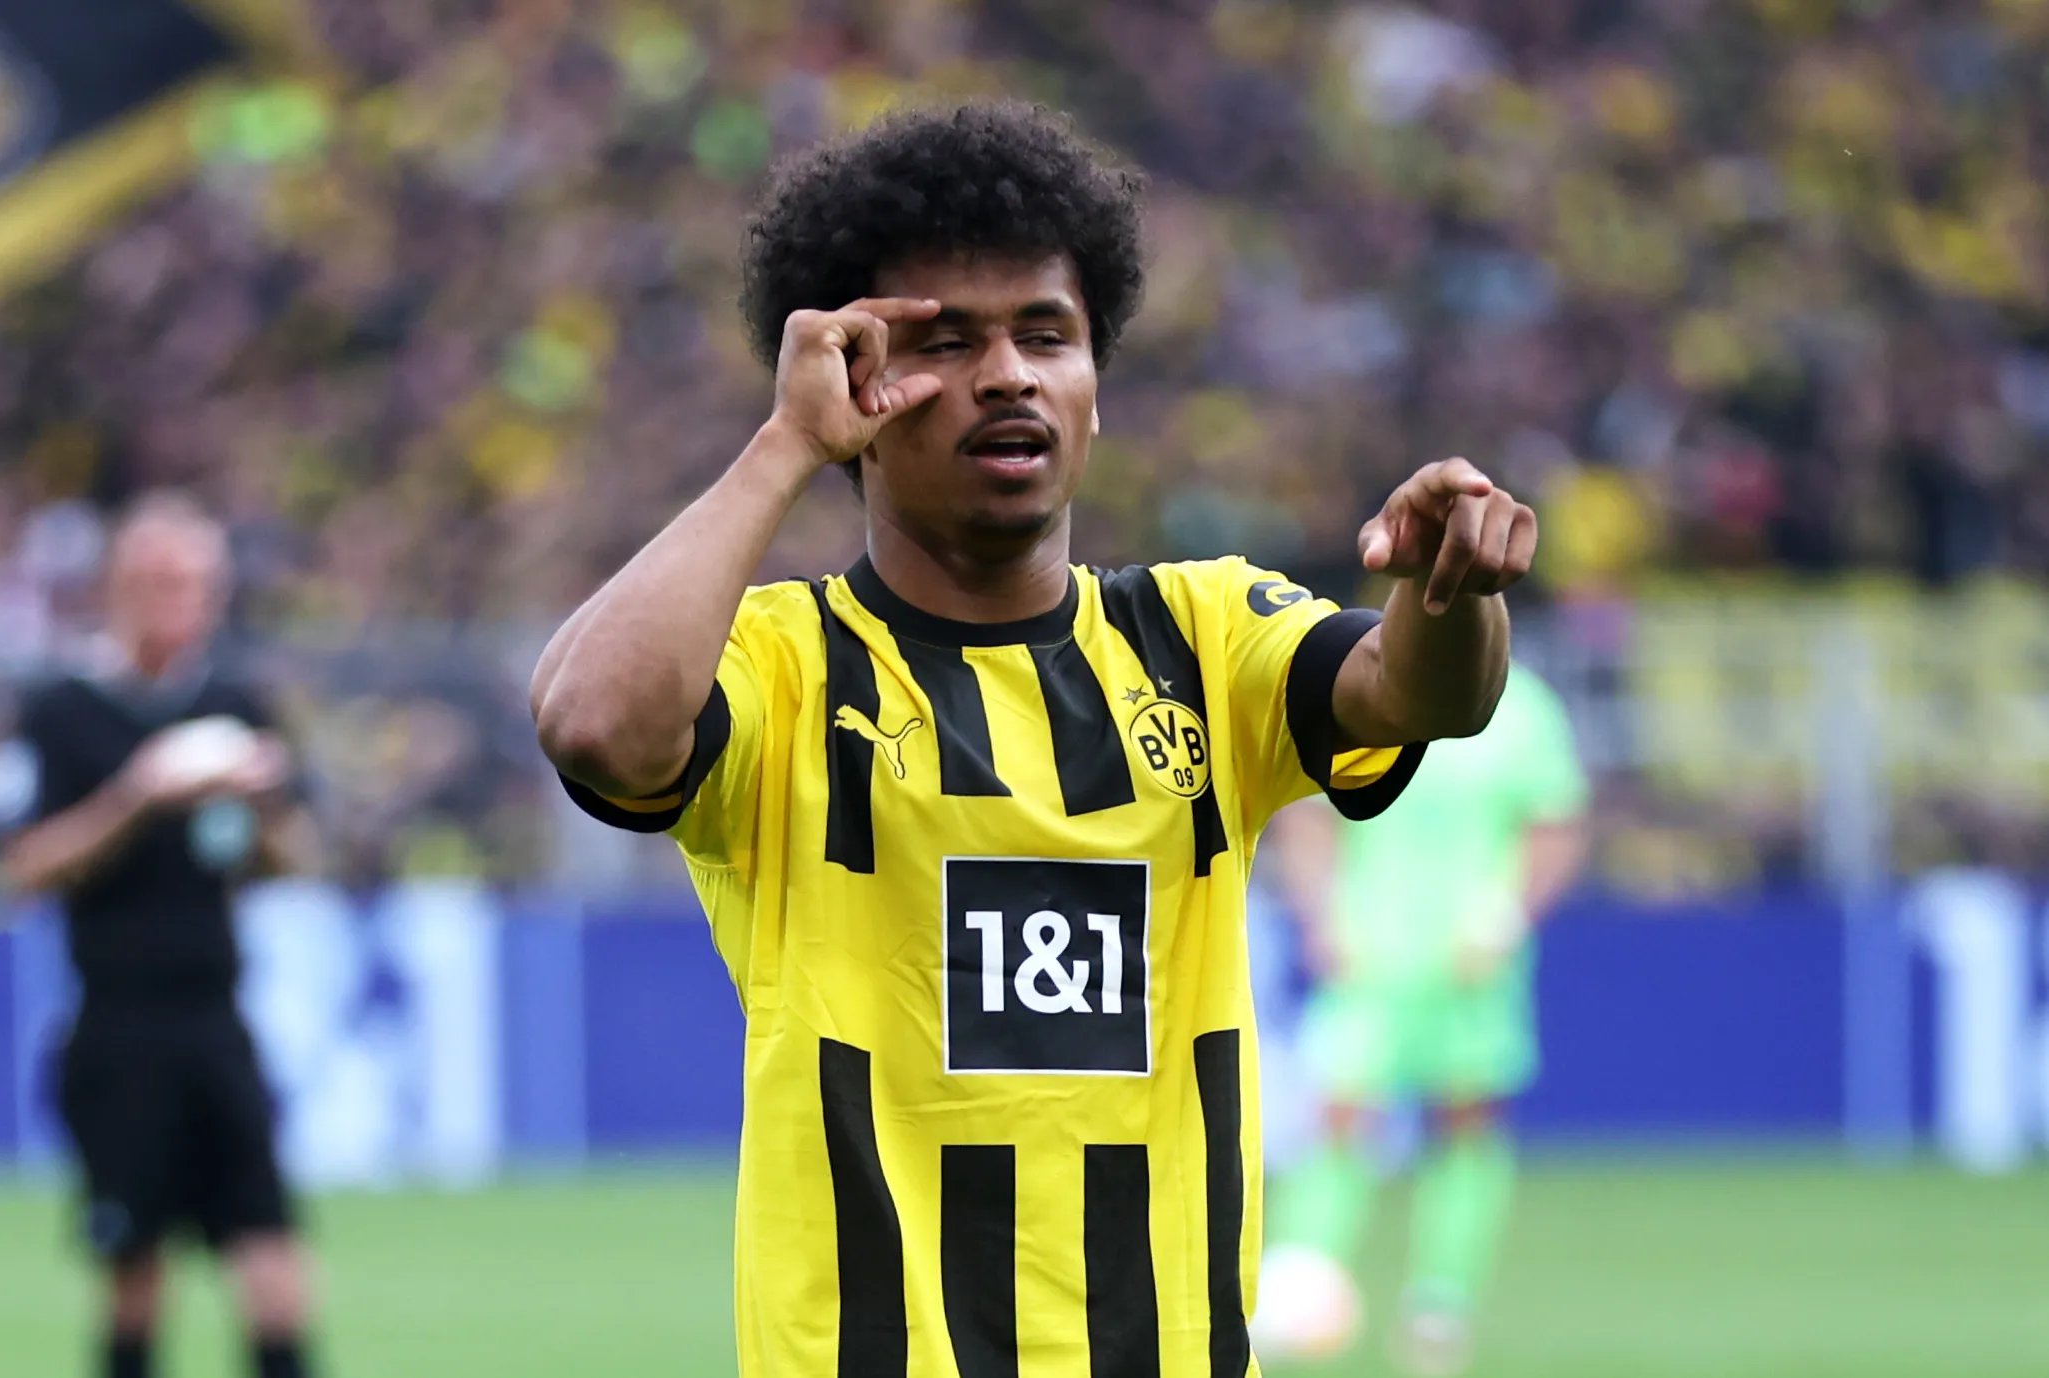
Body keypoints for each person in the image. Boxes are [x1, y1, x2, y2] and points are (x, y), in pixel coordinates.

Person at [532, 101, 1538, 1376]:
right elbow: (595, 725)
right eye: (944, 342)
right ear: (859, 391)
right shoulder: (786, 666)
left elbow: (1421, 695)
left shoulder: (1203, 636)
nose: (1007, 373)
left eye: (1045, 335)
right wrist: (783, 446)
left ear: (1093, 393)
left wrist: (1451, 589)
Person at [0, 493, 321, 1378]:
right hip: (117, 1026)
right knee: (135, 1274)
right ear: (120, 588)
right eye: (167, 582)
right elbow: (26, 867)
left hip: (217, 1021)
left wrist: (262, 805)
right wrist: (137, 797)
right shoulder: (63, 712)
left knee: (273, 1263)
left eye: (202, 584)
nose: (188, 602)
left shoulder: (234, 704)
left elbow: (290, 863)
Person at [1259, 661, 1590, 1375]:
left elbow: (1555, 824)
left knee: (1466, 1122)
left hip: (1471, 959)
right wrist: (1321, 912)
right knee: (1340, 1116)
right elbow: (1308, 811)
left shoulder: (1525, 708)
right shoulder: (1366, 680)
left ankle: (1441, 1306)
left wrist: (1506, 915)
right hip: (1370, 951)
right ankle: (1303, 1284)